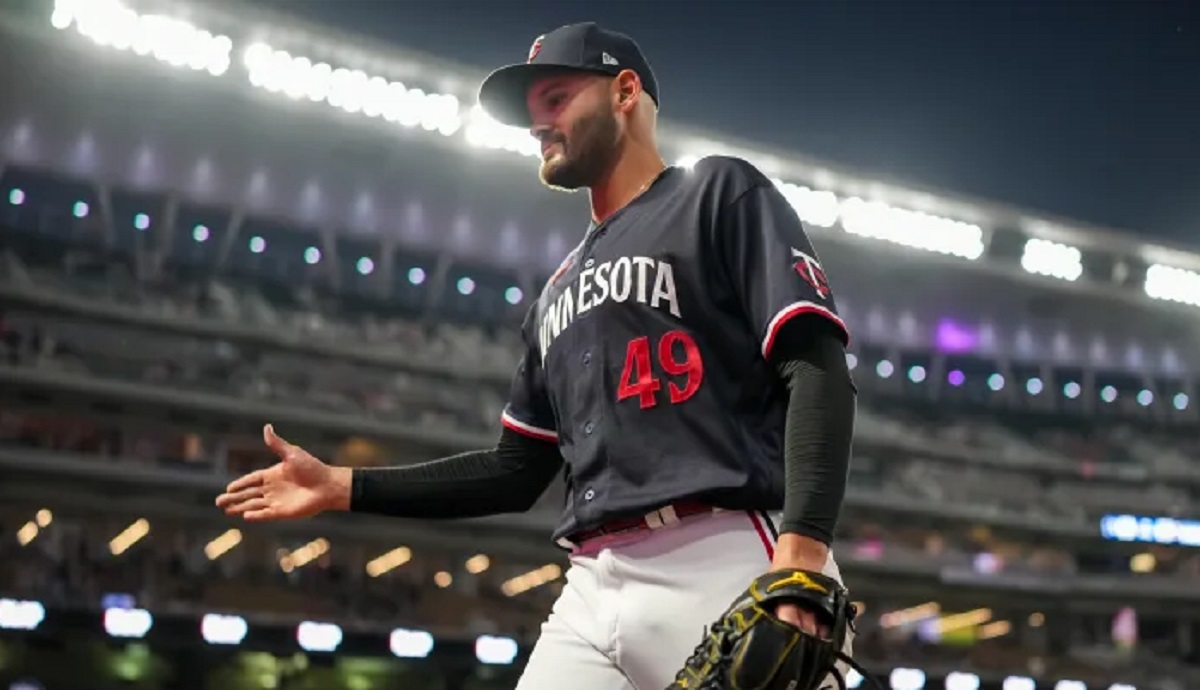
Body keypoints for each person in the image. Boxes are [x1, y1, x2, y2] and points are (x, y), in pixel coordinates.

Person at [216, 21, 859, 690]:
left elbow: (815, 366)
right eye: (533, 114)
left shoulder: (716, 192)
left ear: (625, 92)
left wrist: (803, 553)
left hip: (721, 552)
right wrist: (345, 487)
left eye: (555, 99)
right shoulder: (554, 293)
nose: (538, 126)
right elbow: (515, 470)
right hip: (591, 582)